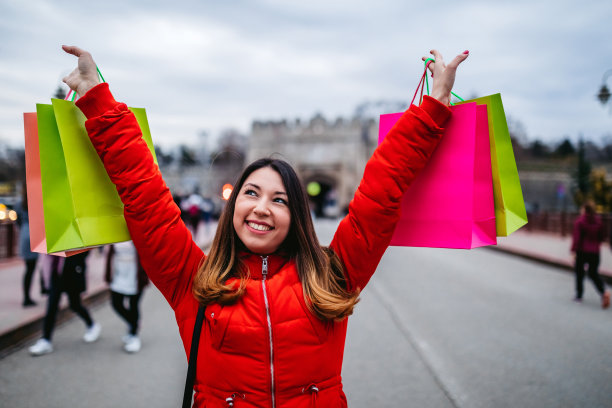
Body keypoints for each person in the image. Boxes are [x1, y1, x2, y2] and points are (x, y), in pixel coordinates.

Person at [61, 44, 468, 406]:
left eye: (280, 200)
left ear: (297, 218)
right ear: (234, 202)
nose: (261, 208)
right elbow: (145, 198)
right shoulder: (192, 280)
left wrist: (431, 108)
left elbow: (381, 194)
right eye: (251, 193)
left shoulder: (332, 276)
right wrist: (99, 102)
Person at [29, 251, 102, 356]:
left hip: (71, 272)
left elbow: (84, 253)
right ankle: (46, 339)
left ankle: (92, 325)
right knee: (51, 307)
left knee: (75, 304)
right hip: (55, 273)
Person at [104, 241, 149, 353]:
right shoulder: (112, 233)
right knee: (116, 303)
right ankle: (134, 323)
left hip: (136, 275)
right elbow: (110, 254)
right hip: (118, 274)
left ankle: (134, 335)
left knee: (133, 305)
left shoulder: (137, 229)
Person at [571, 200, 610, 308]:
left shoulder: (580, 222)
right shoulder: (598, 222)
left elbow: (577, 239)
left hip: (582, 251)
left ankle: (579, 296)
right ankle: (603, 292)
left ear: (584, 210)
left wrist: (573, 251)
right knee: (593, 273)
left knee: (579, 273)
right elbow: (602, 237)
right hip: (595, 252)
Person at [14, 187, 39, 307]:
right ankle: (29, 296)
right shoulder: (36, 201)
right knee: (33, 268)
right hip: (35, 234)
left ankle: (26, 296)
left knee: (28, 269)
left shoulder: (19, 203)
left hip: (24, 234)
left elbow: (17, 220)